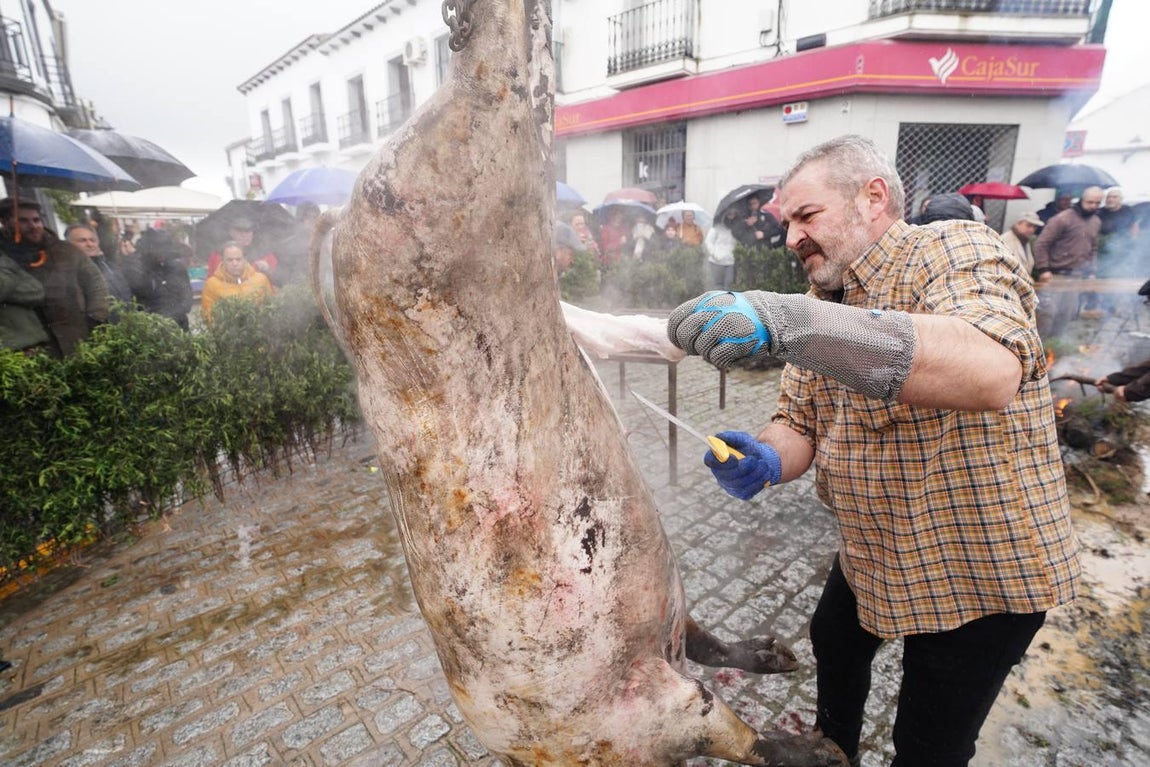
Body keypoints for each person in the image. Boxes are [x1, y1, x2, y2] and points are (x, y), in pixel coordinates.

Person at [665, 134, 1080, 767]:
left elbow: (991, 370)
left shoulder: (953, 248)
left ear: (873, 198)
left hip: (981, 565)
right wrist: (769, 457)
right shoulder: (819, 305)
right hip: (875, 545)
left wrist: (789, 324)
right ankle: (836, 749)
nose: (792, 238)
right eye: (787, 225)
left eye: (807, 216)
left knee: (928, 743)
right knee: (834, 641)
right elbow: (799, 421)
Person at [0, 199, 109, 357]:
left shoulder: (66, 251)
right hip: (28, 348)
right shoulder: (3, 257)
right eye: (22, 221)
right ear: (4, 222)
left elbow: (95, 283)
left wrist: (95, 318)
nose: (33, 226)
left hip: (76, 338)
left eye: (36, 220)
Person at [1032, 186, 1104, 339]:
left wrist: (1091, 271)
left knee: (1066, 316)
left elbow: (1093, 248)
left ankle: (1054, 352)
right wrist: (1044, 269)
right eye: (1090, 202)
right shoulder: (1062, 218)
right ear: (1081, 200)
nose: (1094, 206)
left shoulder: (1096, 221)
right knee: (1046, 315)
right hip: (1055, 275)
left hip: (1076, 277)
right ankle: (1036, 351)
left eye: (1097, 203)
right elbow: (1041, 244)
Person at [126, 229, 194, 330]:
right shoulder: (140, 271)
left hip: (179, 326)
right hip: (153, 329)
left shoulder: (177, 268)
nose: (161, 253)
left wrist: (172, 315)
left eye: (164, 250)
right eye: (157, 249)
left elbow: (187, 299)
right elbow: (138, 303)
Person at [200, 241, 274, 323]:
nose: (234, 263)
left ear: (245, 259)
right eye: (230, 260)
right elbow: (208, 315)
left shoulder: (261, 279)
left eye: (238, 259)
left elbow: (271, 307)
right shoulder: (212, 284)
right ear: (222, 261)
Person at [65, 224, 134, 311]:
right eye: (82, 240)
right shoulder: (67, 272)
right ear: (68, 245)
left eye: (93, 240)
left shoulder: (108, 266)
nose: (90, 244)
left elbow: (125, 292)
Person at [0, 250, 50, 353]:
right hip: (9, 349)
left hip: (29, 346)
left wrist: (9, 292)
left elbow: (37, 291)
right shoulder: (5, 265)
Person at [206, 216, 278, 281]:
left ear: (252, 233)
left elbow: (276, 279)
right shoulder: (218, 254)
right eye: (239, 231)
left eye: (248, 231)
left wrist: (267, 270)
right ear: (231, 232)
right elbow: (212, 279)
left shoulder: (265, 253)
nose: (244, 235)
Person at [703, 207, 739, 290]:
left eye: (733, 214)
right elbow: (708, 241)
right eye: (729, 214)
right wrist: (714, 254)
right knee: (718, 285)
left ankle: (727, 303)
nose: (731, 216)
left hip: (730, 261)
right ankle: (718, 302)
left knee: (729, 284)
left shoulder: (737, 229)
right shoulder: (716, 227)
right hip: (716, 261)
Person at [1000, 211, 1043, 276]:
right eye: (1029, 225)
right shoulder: (1006, 240)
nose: (1032, 230)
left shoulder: (1024, 240)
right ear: (1018, 224)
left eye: (1035, 227)